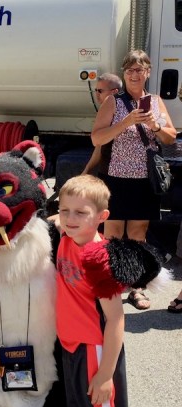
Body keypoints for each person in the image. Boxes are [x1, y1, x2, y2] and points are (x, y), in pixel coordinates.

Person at [53, 175, 137, 407]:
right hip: (73, 347)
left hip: (95, 353)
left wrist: (105, 374)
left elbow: (117, 319)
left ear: (102, 216)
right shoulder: (66, 238)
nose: (70, 219)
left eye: (81, 213)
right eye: (64, 210)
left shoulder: (99, 258)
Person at [91, 50, 176, 310]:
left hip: (145, 180)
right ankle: (112, 286)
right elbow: (97, 138)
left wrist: (156, 127)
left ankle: (137, 288)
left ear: (148, 72)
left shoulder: (156, 101)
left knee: (138, 234)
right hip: (116, 177)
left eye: (140, 69)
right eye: (130, 70)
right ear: (124, 74)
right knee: (113, 234)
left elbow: (171, 138)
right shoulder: (114, 102)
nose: (135, 74)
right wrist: (126, 122)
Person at [82, 73, 123, 175]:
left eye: (100, 91)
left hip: (115, 173)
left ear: (114, 92)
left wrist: (86, 170)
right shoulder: (107, 110)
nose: (96, 94)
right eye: (95, 90)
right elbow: (99, 146)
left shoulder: (118, 110)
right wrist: (86, 170)